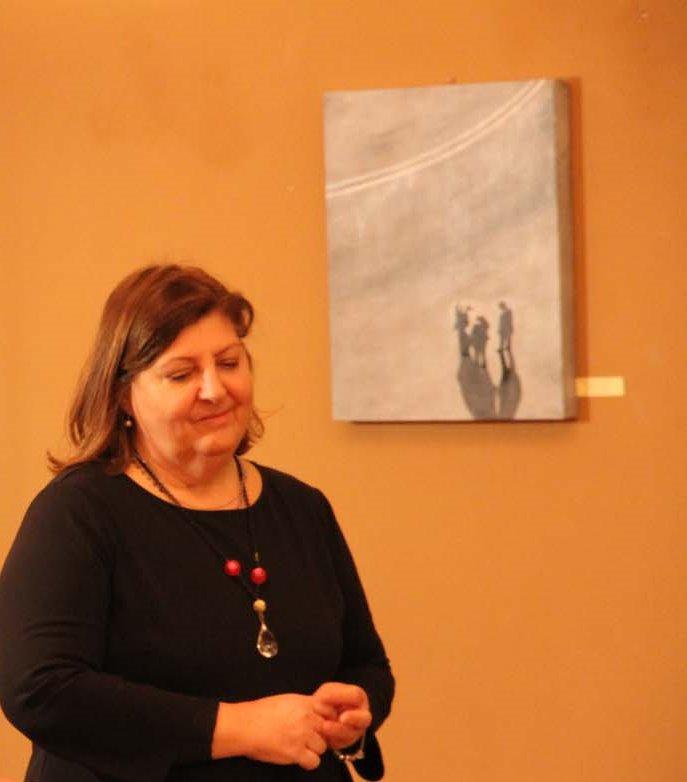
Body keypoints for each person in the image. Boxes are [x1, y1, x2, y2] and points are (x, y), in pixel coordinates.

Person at [0, 265, 394, 782]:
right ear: (124, 395)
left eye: (229, 363)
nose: (214, 389)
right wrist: (240, 727)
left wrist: (355, 712)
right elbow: (39, 689)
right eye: (181, 374)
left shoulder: (304, 508)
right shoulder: (77, 513)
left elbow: (366, 664)